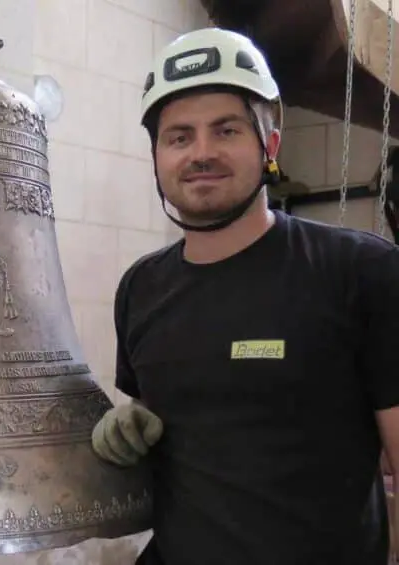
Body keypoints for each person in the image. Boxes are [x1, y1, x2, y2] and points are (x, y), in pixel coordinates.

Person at [90, 27, 399, 565]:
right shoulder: (141, 288)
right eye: (179, 136)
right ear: (158, 155)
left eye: (226, 130)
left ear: (269, 144)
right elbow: (173, 423)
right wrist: (133, 431)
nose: (201, 153)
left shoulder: (361, 272)